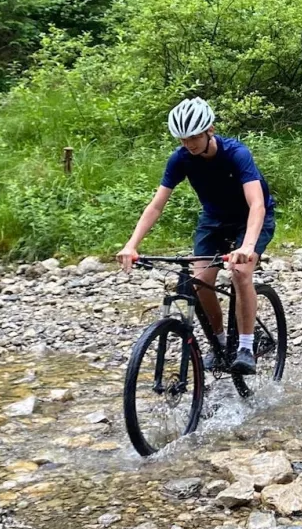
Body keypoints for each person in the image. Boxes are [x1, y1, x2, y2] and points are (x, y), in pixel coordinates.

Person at [117, 97, 275, 375]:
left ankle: (246, 348)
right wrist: (132, 245)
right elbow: (156, 205)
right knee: (200, 281)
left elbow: (257, 204)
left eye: (193, 137)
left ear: (209, 130)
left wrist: (248, 245)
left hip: (248, 219)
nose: (188, 144)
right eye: (182, 139)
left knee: (240, 271)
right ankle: (220, 344)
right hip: (213, 220)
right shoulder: (181, 160)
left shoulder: (236, 153)